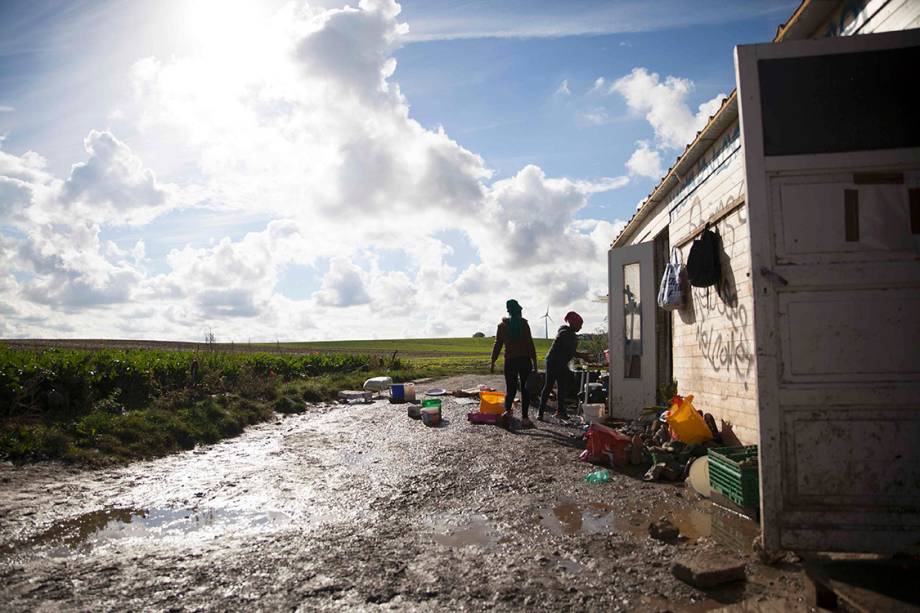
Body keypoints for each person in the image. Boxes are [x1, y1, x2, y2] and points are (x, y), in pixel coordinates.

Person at [490, 299, 538, 428]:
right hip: (524, 360)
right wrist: (535, 362)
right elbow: (530, 344)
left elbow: (498, 344)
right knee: (525, 389)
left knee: (510, 389)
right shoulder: (524, 324)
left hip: (510, 361)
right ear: (518, 311)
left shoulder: (502, 326)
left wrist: (493, 360)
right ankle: (525, 418)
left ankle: (507, 413)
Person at [539, 311, 591, 420]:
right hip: (553, 363)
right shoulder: (564, 334)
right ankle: (541, 413)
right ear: (573, 323)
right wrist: (582, 355)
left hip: (561, 363)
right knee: (548, 386)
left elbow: (570, 351)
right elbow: (570, 350)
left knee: (562, 387)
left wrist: (581, 355)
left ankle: (560, 411)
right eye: (579, 325)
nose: (581, 327)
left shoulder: (570, 334)